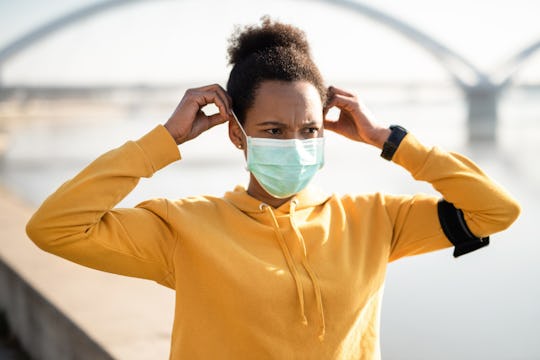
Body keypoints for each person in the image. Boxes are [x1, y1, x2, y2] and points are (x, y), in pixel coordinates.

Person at [26, 17, 520, 359]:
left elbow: (495, 212)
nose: (296, 143)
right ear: (237, 133)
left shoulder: (374, 220)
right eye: (274, 131)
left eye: (309, 130)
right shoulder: (182, 228)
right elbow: (55, 228)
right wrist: (166, 139)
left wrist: (388, 140)